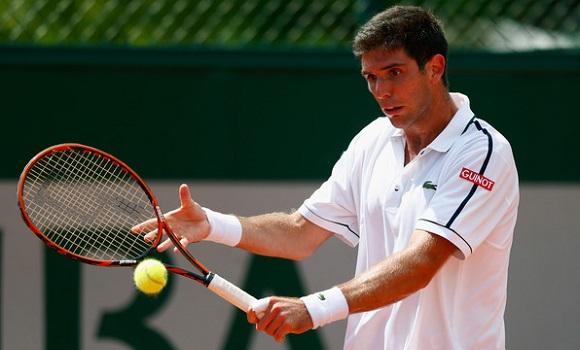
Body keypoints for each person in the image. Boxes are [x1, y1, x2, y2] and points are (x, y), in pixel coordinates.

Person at [148, 5, 519, 349]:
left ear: (435, 68)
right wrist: (211, 224)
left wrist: (313, 308)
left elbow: (421, 263)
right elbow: (299, 233)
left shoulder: (482, 153)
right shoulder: (373, 140)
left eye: (394, 73)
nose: (382, 91)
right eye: (371, 78)